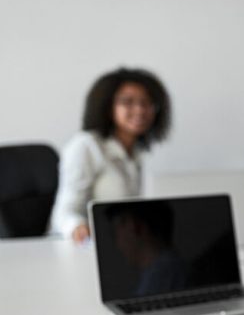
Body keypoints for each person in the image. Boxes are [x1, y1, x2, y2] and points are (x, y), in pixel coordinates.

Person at [50, 67, 171, 244]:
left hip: (120, 245)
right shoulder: (86, 146)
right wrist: (78, 227)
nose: (140, 110)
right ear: (107, 106)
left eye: (147, 102)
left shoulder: (136, 151)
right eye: (128, 102)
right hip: (82, 247)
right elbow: (64, 214)